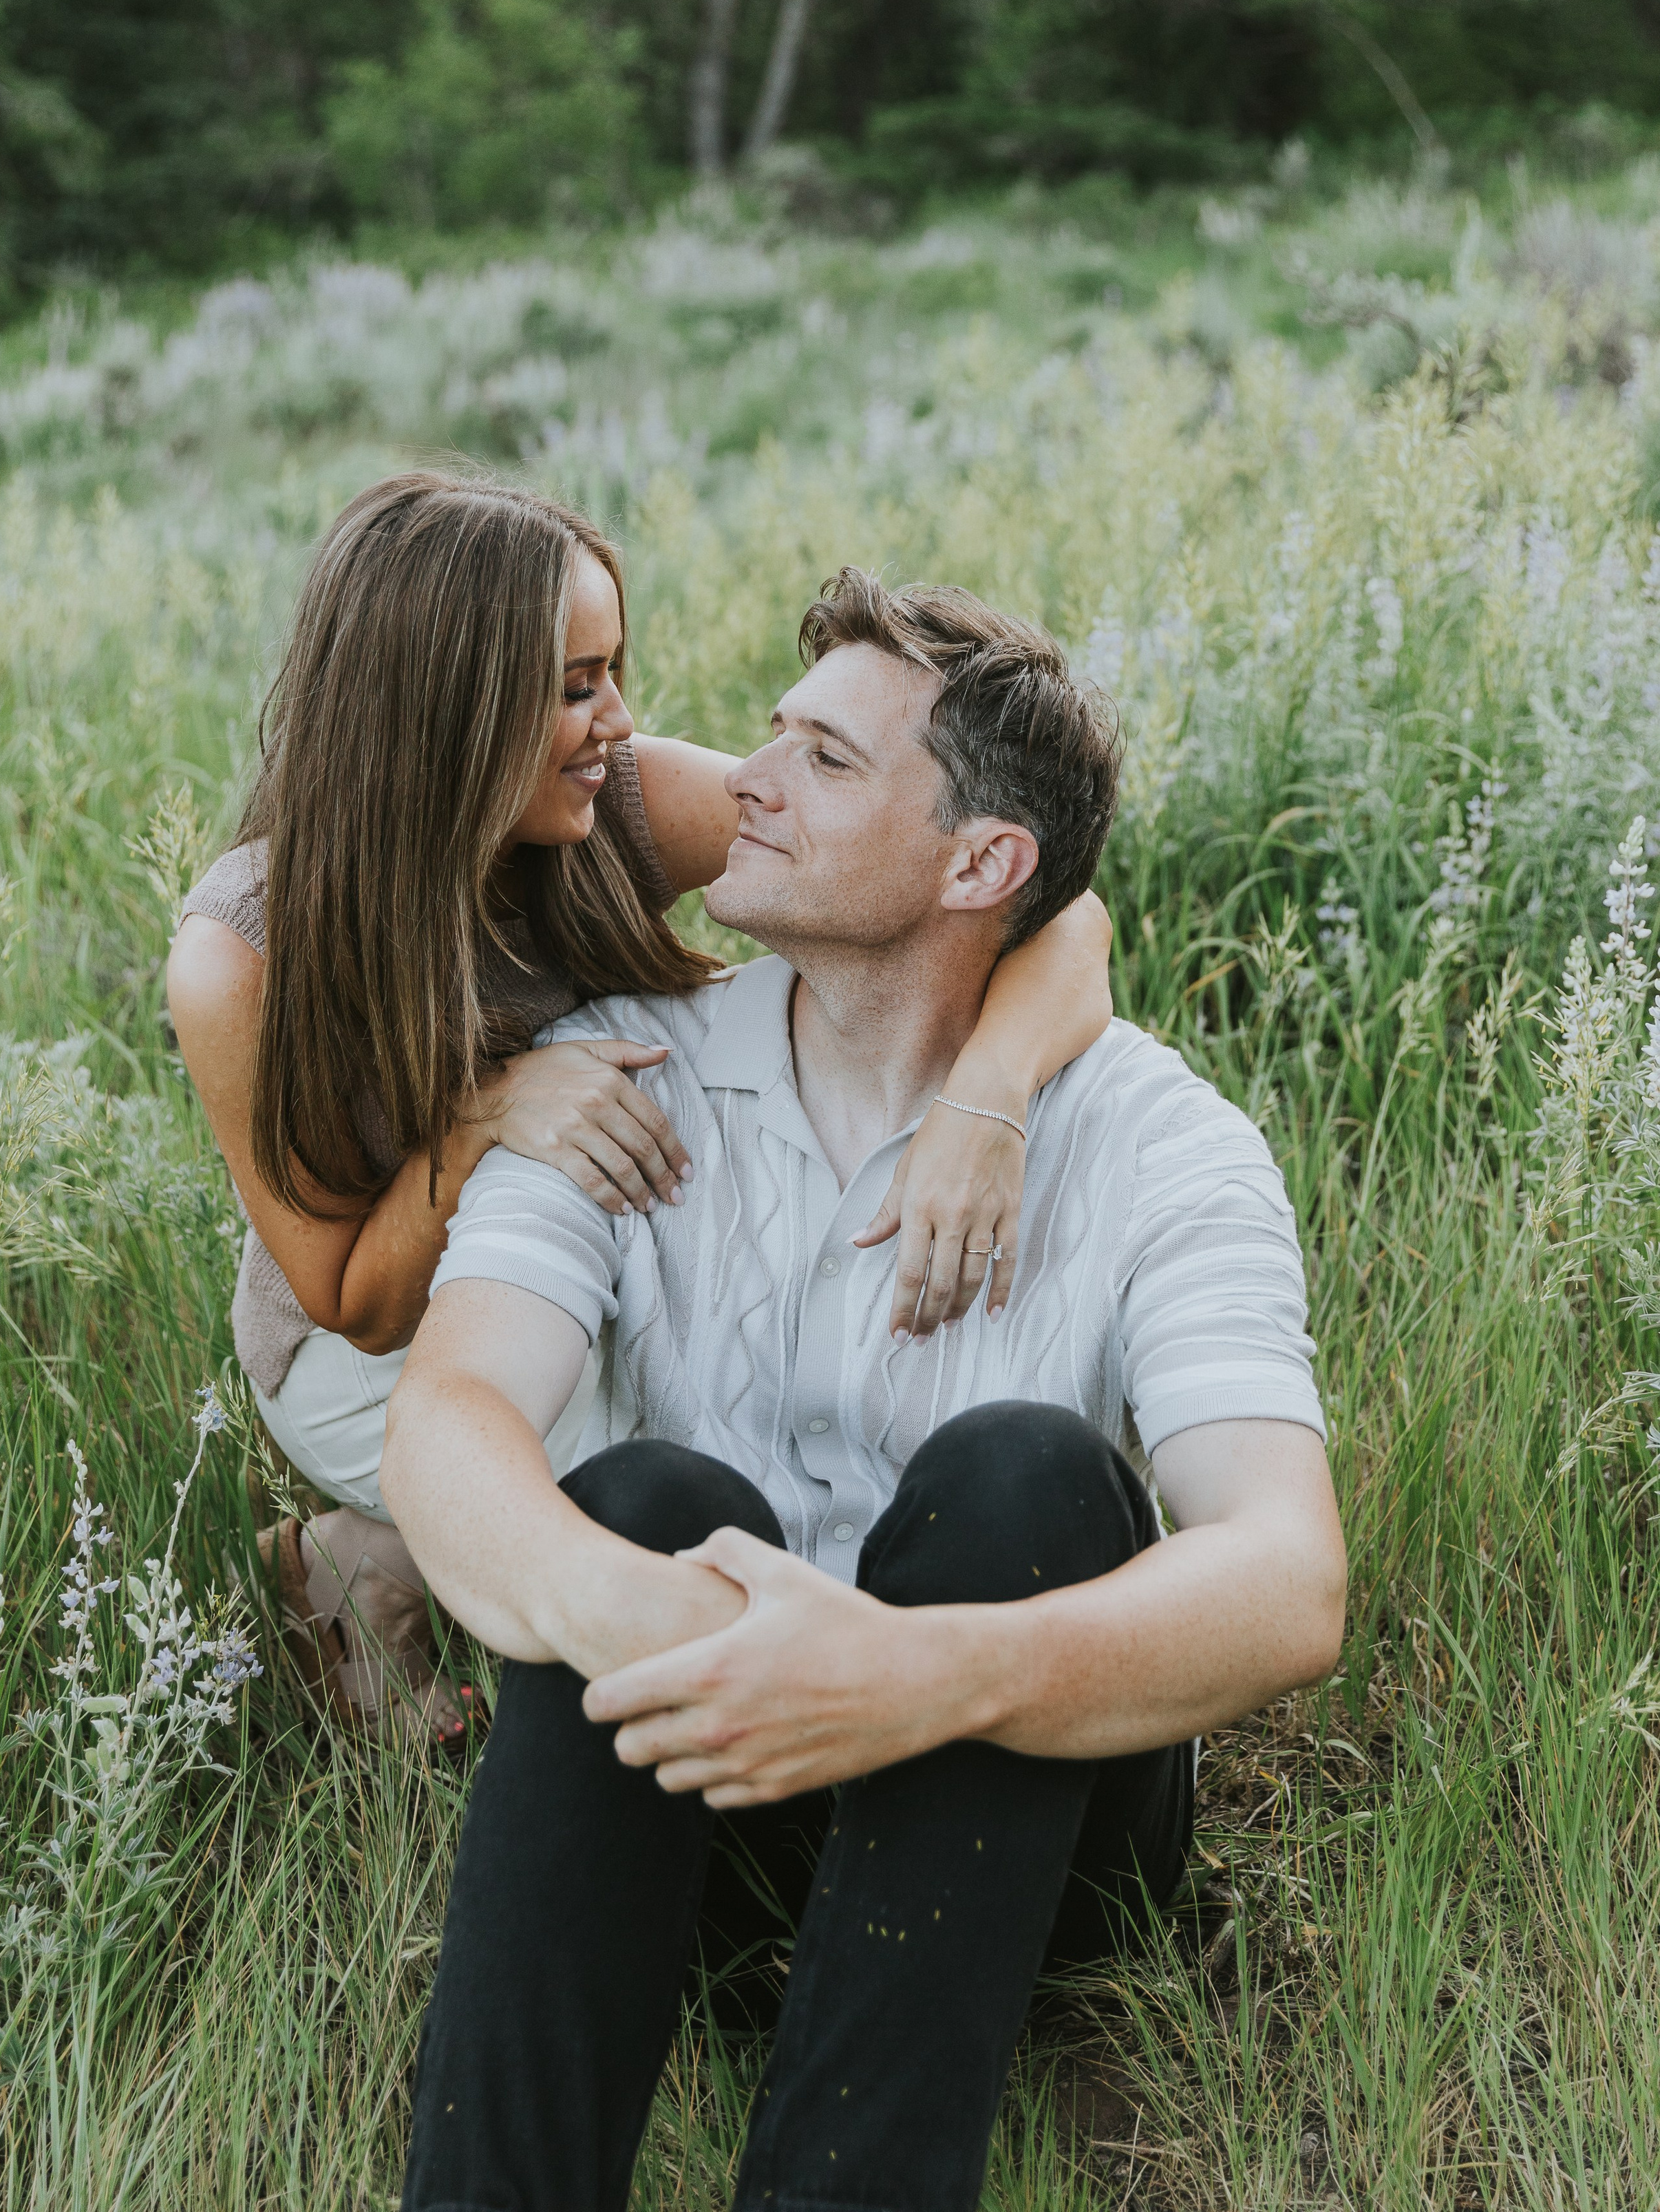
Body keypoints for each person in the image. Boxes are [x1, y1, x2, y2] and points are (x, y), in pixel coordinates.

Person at [380, 567, 1347, 2212]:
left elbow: (1285, 1578)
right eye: (774, 732)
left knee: (1027, 1476)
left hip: (1029, 1846)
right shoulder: (623, 1073)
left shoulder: (1161, 1145)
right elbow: (448, 1413)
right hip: (716, 1802)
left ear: (979, 864)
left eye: (823, 760)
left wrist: (917, 1677)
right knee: (642, 1504)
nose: (744, 780)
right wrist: (624, 1612)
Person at [167, 476, 1116, 1741]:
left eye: (613, 672)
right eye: (576, 686)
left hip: (601, 1236)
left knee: (777, 1383)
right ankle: (375, 1552)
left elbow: (1049, 907)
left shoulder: (617, 802)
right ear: (444, 711)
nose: (617, 721)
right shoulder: (245, 955)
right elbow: (352, 1299)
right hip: (374, 1359)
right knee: (707, 1488)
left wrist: (986, 1104)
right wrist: (484, 1120)